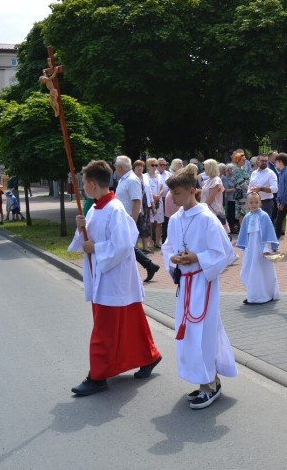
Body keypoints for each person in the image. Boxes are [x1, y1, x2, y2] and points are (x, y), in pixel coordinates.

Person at [68, 160, 162, 396]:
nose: (82, 187)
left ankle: (97, 376)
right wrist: (82, 229)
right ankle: (149, 355)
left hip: (114, 277)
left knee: (105, 328)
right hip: (104, 275)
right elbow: (88, 240)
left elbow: (122, 245)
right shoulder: (95, 207)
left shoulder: (115, 209)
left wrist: (96, 248)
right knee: (131, 321)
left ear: (91, 184)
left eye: (83, 182)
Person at [163, 164, 238, 409]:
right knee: (191, 333)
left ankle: (209, 385)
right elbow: (167, 247)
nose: (173, 199)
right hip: (186, 284)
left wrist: (197, 258)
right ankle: (206, 380)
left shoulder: (207, 218)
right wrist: (173, 259)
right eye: (172, 194)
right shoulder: (175, 219)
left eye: (177, 194)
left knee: (203, 332)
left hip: (203, 282)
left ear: (192, 191)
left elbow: (225, 252)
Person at [113, 156, 160, 283]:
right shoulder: (124, 179)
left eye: (116, 166)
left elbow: (137, 202)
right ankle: (149, 266)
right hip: (122, 218)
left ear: (121, 167)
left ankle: (147, 267)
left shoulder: (132, 180)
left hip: (128, 219)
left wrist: (132, 222)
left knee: (125, 246)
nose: (115, 168)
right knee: (126, 246)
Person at [236, 192, 281, 304]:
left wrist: (267, 248)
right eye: (251, 202)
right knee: (248, 270)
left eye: (256, 202)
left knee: (261, 271)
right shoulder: (247, 217)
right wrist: (245, 248)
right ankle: (253, 295)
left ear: (260, 202)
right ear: (247, 204)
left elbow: (268, 233)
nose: (254, 204)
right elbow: (244, 234)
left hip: (261, 249)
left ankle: (265, 294)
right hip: (251, 250)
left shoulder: (264, 216)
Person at [248, 153, 278, 221]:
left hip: (266, 203)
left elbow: (275, 189)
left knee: (265, 224)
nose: (264, 162)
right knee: (254, 223)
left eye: (266, 161)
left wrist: (261, 189)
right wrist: (249, 196)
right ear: (257, 161)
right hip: (254, 202)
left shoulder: (271, 173)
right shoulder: (254, 173)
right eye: (262, 161)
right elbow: (249, 188)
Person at [145, 158, 166, 249]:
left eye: (156, 165)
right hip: (150, 201)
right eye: (152, 165)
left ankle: (157, 242)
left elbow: (162, 188)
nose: (154, 167)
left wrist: (158, 195)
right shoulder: (145, 176)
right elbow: (146, 189)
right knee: (150, 223)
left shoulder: (159, 176)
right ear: (148, 166)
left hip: (159, 201)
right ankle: (149, 242)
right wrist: (153, 196)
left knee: (159, 223)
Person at [201, 159, 227, 227]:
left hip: (213, 210)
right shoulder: (207, 181)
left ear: (210, 168)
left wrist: (200, 206)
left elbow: (211, 198)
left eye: (205, 167)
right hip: (206, 209)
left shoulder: (216, 180)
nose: (203, 169)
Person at [231, 149, 250, 226]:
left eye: (245, 160)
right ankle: (243, 231)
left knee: (246, 213)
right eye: (243, 160)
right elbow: (242, 183)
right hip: (241, 195)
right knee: (242, 213)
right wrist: (251, 188)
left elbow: (249, 180)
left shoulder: (243, 169)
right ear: (238, 160)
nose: (244, 161)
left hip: (246, 194)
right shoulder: (236, 170)